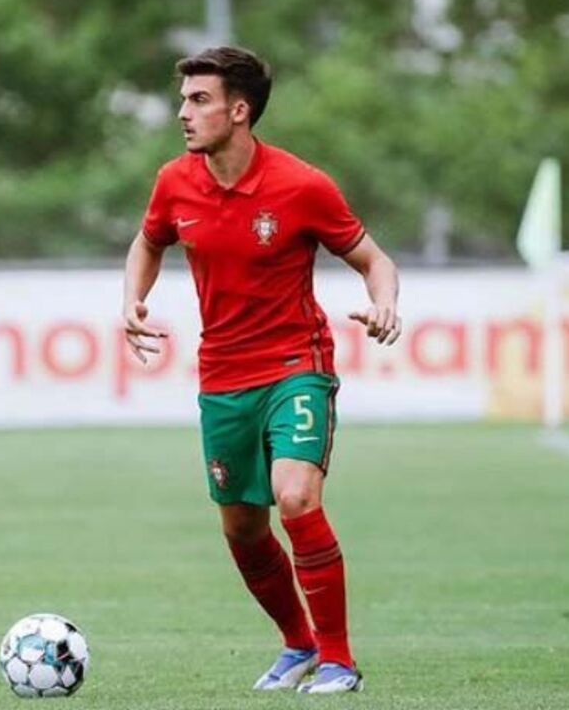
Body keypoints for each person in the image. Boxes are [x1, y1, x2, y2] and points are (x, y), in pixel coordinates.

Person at [122, 46, 401, 695]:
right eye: (184, 100)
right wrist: (132, 299)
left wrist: (385, 302)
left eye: (199, 100)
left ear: (239, 110)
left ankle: (339, 661)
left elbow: (375, 260)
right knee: (243, 527)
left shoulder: (301, 185)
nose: (184, 113)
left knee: (296, 496)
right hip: (222, 376)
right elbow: (148, 241)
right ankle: (299, 644)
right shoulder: (174, 181)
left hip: (296, 365)